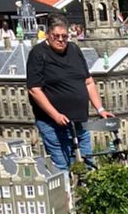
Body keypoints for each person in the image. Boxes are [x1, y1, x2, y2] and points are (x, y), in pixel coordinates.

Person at [26, 14, 113, 172]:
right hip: (53, 124)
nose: (61, 40)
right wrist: (55, 115)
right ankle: (68, 188)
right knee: (63, 168)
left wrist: (100, 109)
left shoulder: (74, 49)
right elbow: (34, 90)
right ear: (47, 34)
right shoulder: (38, 54)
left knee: (88, 165)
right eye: (56, 36)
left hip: (79, 121)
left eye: (64, 36)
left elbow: (88, 82)